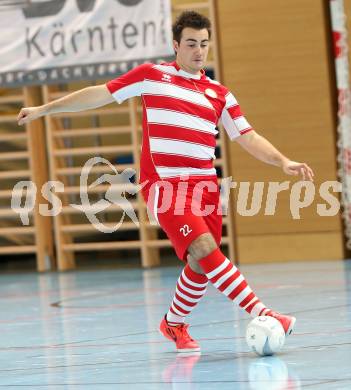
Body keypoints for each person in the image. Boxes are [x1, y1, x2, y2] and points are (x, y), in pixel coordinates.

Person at [18, 11, 314, 353]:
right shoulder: (152, 76)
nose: (199, 51)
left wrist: (283, 161)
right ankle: (265, 312)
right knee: (204, 249)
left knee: (201, 265)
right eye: (191, 44)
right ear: (176, 45)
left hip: (204, 187)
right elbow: (98, 94)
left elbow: (247, 136)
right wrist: (44, 109)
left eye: (204, 44)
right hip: (164, 184)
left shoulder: (219, 94)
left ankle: (173, 324)